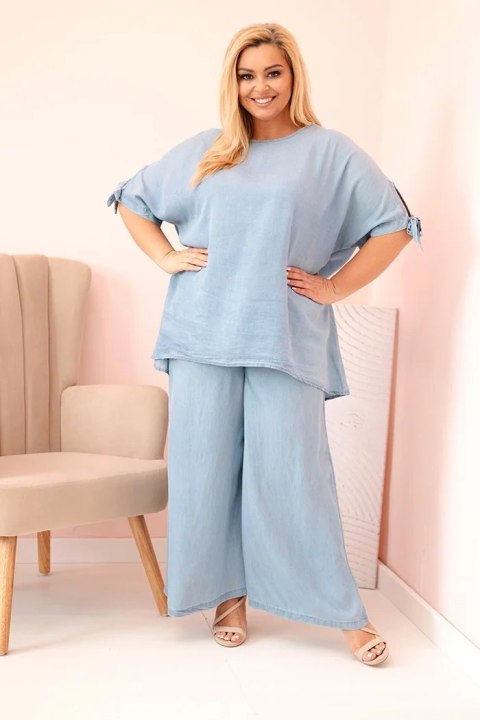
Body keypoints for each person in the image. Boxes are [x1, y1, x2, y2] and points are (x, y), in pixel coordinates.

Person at [107, 22, 422, 667]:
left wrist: (334, 287)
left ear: (293, 75)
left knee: (295, 474)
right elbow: (132, 200)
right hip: (202, 332)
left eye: (272, 72)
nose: (260, 87)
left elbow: (394, 226)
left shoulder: (330, 153)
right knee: (204, 471)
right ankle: (227, 598)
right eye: (246, 75)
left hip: (284, 332)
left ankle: (342, 612)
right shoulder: (207, 149)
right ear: (233, 82)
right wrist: (166, 256)